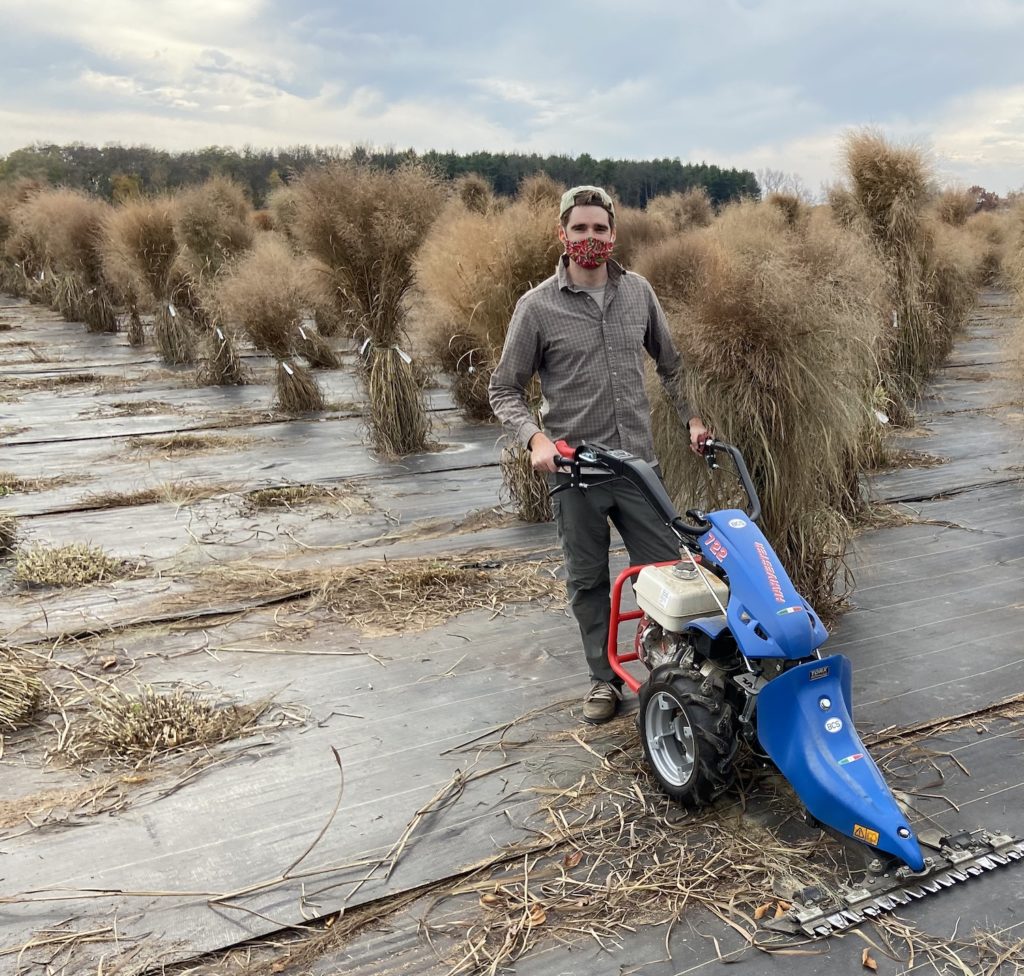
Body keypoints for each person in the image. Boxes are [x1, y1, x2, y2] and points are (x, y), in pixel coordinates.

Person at [489, 185, 708, 724]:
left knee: (663, 570)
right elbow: (504, 389)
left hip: (637, 467)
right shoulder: (537, 306)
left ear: (614, 234)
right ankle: (603, 679)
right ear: (562, 235)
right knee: (587, 580)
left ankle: (668, 669)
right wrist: (535, 439)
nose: (591, 239)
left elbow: (672, 365)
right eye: (580, 229)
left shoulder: (639, 293)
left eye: (600, 229)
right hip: (576, 472)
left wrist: (694, 418)